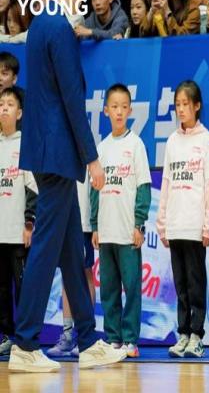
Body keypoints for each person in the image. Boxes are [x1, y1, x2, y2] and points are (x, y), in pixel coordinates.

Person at [9, 0, 127, 373]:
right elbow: (72, 100)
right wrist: (92, 158)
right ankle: (26, 342)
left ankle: (89, 340)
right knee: (46, 248)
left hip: (47, 150)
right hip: (57, 152)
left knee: (72, 250)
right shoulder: (58, 27)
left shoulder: (41, 25)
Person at [90, 83, 152, 358]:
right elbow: (95, 190)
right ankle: (113, 337)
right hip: (106, 232)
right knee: (109, 289)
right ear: (105, 110)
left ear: (130, 110)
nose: (118, 112)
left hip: (128, 233)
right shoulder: (101, 148)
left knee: (132, 287)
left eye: (123, 107)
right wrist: (95, 226)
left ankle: (130, 339)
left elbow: (144, 187)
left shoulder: (136, 145)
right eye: (113, 107)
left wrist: (139, 224)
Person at [156, 81, 209, 358]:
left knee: (195, 282)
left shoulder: (206, 140)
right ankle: (182, 333)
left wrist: (207, 224)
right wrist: (163, 223)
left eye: (185, 104)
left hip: (194, 225)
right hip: (175, 224)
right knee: (180, 284)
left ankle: (196, 336)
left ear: (197, 106)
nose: (180, 109)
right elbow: (167, 182)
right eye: (177, 105)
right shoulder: (172, 141)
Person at [0, 87, 37, 357]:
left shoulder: (26, 145)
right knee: (1, 290)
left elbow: (33, 188)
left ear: (20, 113)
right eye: (1, 103)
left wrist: (29, 223)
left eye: (10, 104)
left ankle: (26, 338)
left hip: (18, 233)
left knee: (23, 288)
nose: (4, 107)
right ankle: (6, 335)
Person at [47, 174, 96, 358]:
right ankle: (67, 335)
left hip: (83, 223)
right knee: (66, 275)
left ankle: (86, 336)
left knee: (85, 273)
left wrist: (94, 225)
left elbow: (95, 189)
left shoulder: (89, 159)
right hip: (63, 221)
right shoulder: (59, 160)